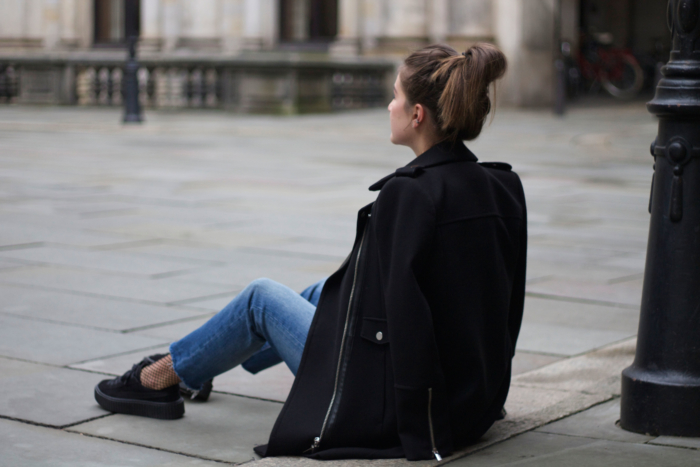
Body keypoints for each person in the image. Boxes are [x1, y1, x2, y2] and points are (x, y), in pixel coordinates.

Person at [94, 42, 527, 462]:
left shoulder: (410, 195)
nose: (388, 107)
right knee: (326, 289)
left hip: (390, 401)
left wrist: (421, 432)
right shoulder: (503, 186)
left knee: (261, 299)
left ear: (417, 115)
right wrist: (486, 397)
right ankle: (200, 362)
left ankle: (161, 378)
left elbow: (409, 319)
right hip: (472, 398)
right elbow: (507, 309)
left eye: (395, 96)